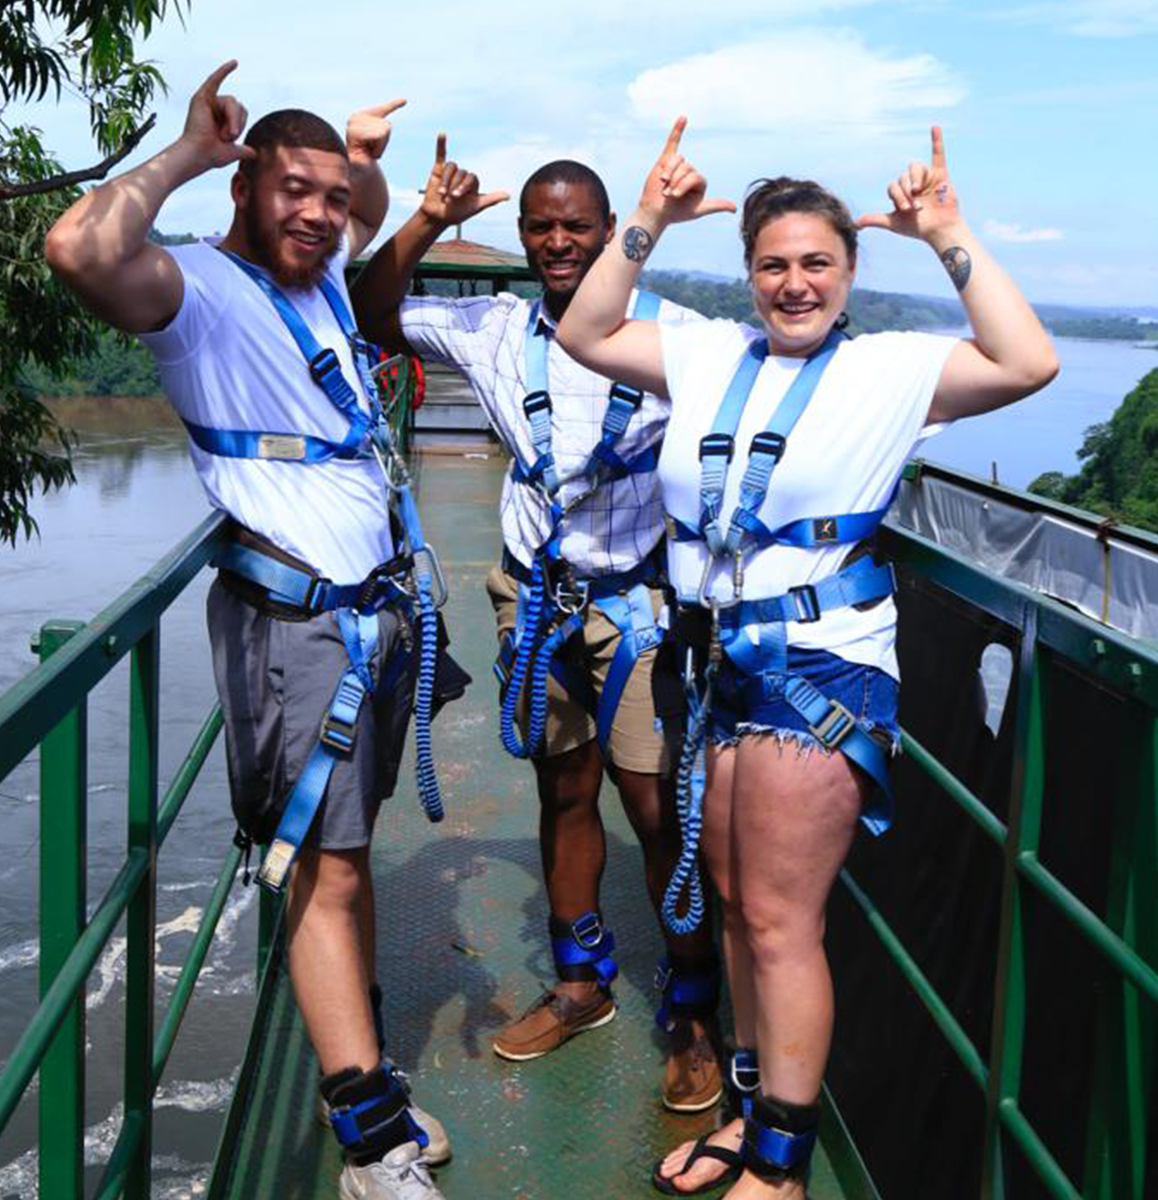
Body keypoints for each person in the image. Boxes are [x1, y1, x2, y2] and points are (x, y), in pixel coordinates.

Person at [557, 120, 1058, 1197]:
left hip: (821, 669)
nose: (795, 285)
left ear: (850, 271)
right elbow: (587, 333)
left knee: (781, 922)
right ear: (746, 272)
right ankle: (747, 1120)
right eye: (774, 264)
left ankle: (780, 1167)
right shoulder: (702, 352)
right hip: (718, 669)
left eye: (817, 264)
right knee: (738, 905)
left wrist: (950, 235)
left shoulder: (893, 370)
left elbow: (1030, 360)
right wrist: (643, 217)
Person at [45, 62, 461, 1200]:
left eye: (331, 199)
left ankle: (364, 1069)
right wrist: (188, 152)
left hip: (366, 616)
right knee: (324, 879)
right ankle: (372, 1146)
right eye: (294, 190)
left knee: (346, 862)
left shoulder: (320, 278)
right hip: (300, 633)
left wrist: (361, 156)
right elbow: (77, 252)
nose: (322, 215)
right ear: (244, 190)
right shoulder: (200, 296)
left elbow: (359, 210)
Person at [351, 137, 726, 1111]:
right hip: (533, 594)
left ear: (611, 235)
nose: (560, 242)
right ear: (522, 237)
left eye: (578, 227)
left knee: (654, 809)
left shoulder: (673, 334)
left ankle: (692, 1013)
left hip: (636, 601)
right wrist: (427, 217)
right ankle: (580, 984)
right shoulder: (492, 326)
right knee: (564, 790)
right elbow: (367, 312)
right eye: (542, 227)